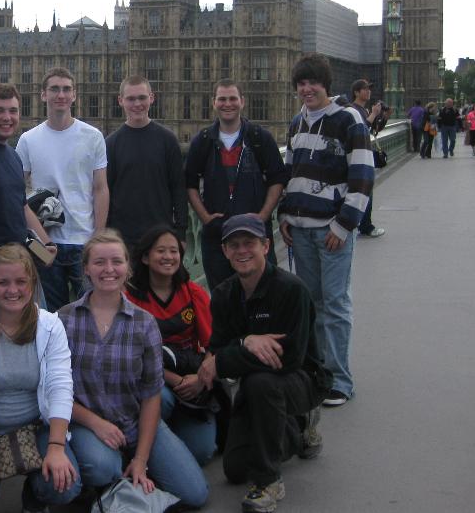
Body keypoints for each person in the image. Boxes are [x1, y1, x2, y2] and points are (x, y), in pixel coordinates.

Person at [58, 230, 209, 509]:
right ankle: (109, 479)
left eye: (117, 261)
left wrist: (141, 460)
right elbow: (54, 391)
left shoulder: (144, 322)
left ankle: (131, 466)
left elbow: (151, 393)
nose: (109, 270)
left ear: (128, 267)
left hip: (134, 420)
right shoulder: (64, 319)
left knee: (196, 493)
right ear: (86, 269)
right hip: (87, 423)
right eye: (99, 262)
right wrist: (95, 423)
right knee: (102, 466)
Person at [197, 215, 330, 513]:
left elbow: (289, 358)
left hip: (302, 378)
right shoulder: (222, 295)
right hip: (259, 385)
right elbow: (217, 350)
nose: (242, 251)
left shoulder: (291, 290)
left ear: (266, 246)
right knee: (234, 468)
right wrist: (248, 342)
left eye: (250, 243)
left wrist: (229, 357)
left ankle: (269, 481)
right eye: (234, 245)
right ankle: (296, 427)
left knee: (261, 382)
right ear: (225, 251)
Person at [0, 244, 82, 513]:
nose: (13, 290)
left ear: (32, 284)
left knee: (63, 485)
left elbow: (60, 387)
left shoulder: (50, 325)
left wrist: (56, 447)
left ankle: (32, 501)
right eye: (3, 282)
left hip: (36, 426)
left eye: (21, 282)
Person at [278, 54, 373, 407]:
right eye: (301, 84)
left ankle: (339, 381)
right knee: (312, 307)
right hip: (300, 230)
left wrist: (344, 224)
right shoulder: (297, 123)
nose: (307, 89)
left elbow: (363, 177)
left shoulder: (349, 120)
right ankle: (319, 373)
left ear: (326, 85)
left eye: (312, 83)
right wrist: (284, 215)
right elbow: (291, 174)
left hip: (331, 229)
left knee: (334, 305)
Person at [16, 67, 109, 311]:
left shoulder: (93, 136)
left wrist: (97, 237)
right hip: (45, 244)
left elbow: (100, 188)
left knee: (90, 312)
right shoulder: (28, 139)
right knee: (50, 315)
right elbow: (17, 192)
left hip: (83, 240)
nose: (61, 94)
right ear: (43, 95)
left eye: (66, 89)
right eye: (54, 89)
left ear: (74, 95)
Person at [125, 224, 217, 466]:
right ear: (145, 257)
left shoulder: (193, 292)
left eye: (174, 251)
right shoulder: (130, 299)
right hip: (152, 377)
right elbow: (133, 357)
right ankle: (146, 449)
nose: (168, 257)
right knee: (162, 398)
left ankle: (174, 444)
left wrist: (200, 378)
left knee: (203, 452)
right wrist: (173, 380)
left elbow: (213, 345)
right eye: (160, 251)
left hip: (191, 376)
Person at [184, 79, 288, 290]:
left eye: (232, 98)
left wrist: (263, 215)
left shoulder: (260, 138)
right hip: (218, 236)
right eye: (222, 99)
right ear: (213, 103)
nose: (227, 104)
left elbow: (278, 179)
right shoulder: (202, 140)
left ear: (242, 101)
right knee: (223, 299)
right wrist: (205, 218)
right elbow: (189, 183)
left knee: (263, 297)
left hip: (256, 234)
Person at [0, 84, 56, 256]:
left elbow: (22, 208)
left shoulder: (14, 155)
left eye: (13, 111)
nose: (7, 117)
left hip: (21, 259)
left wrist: (46, 246)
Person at [105, 76, 186, 248]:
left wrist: (181, 232)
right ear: (120, 101)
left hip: (160, 235)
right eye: (131, 99)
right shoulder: (111, 143)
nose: (137, 104)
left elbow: (178, 188)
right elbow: (105, 192)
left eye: (142, 97)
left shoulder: (167, 140)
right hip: (122, 237)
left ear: (152, 98)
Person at [350, 79, 385, 237]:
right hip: (357, 157)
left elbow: (372, 130)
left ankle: (363, 225)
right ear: (356, 92)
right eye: (365, 89)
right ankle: (365, 227)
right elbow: (362, 129)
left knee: (367, 191)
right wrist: (373, 114)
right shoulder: (352, 109)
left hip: (365, 154)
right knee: (364, 192)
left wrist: (381, 116)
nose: (368, 91)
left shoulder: (363, 110)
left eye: (369, 89)